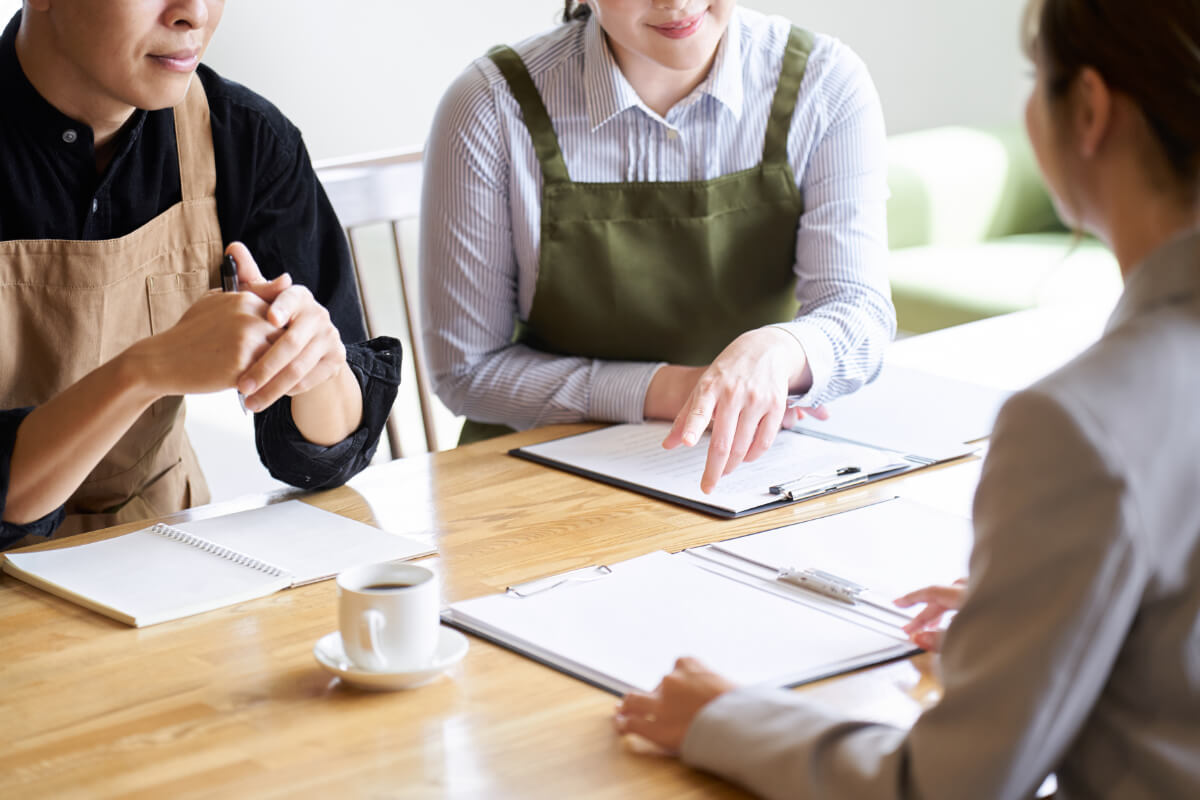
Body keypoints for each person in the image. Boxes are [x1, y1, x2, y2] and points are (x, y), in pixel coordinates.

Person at [613, 0, 1200, 796]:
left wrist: (722, 718)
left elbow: (945, 787)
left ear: (1089, 110)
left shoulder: (1078, 425)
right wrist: (1047, 608)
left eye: (1036, 78)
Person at [421, 0, 895, 492]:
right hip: (533, 471)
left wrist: (781, 352)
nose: (676, 3)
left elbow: (859, 311)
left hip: (749, 470)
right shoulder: (491, 105)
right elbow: (466, 370)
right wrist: (674, 390)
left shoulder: (824, 82)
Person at [0, 0, 401, 549]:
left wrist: (314, 364)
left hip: (157, 551)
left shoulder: (245, 138)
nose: (194, 12)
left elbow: (325, 459)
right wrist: (145, 370)